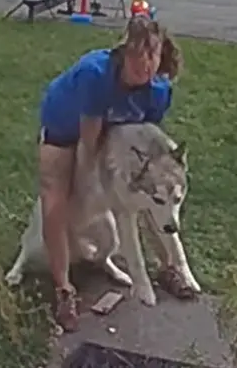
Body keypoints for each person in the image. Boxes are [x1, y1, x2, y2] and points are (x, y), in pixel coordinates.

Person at [36, 17, 184, 331]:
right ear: (122, 51)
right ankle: (64, 288)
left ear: (161, 56)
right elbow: (89, 144)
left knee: (148, 189)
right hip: (65, 125)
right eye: (136, 54)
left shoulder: (158, 89)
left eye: (152, 55)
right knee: (56, 196)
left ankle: (169, 268)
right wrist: (93, 182)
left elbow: (144, 135)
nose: (144, 64)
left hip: (112, 129)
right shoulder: (96, 74)